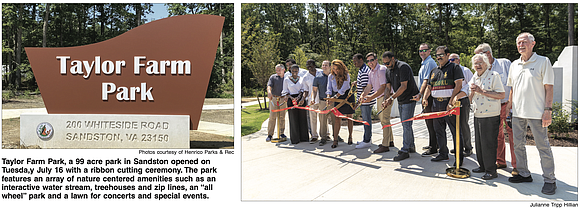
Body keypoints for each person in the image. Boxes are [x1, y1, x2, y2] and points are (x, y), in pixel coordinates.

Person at [506, 32, 556, 195]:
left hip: (537, 113)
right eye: (518, 42)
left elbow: (549, 87)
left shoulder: (543, 61)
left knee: (543, 146)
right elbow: (512, 89)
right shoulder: (514, 64)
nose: (521, 45)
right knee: (518, 145)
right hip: (518, 113)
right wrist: (509, 108)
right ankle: (524, 173)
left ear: (533, 44)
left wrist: (547, 110)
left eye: (524, 42)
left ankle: (549, 180)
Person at [474, 43, 517, 175]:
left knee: (512, 134)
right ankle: (500, 161)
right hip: (493, 108)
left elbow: (514, 83)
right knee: (496, 136)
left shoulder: (505, 63)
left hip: (507, 104)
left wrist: (511, 102)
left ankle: (516, 166)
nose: (477, 60)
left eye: (479, 55)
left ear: (488, 53)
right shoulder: (479, 71)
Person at [422, 46, 465, 166]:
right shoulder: (434, 70)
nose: (439, 57)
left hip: (450, 104)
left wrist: (451, 101)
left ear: (447, 55)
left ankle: (459, 158)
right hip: (436, 104)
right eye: (437, 55)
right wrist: (425, 98)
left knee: (455, 131)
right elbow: (429, 87)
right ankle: (443, 153)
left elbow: (458, 85)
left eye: (441, 54)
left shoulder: (454, 68)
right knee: (438, 130)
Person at [468, 54, 505, 180]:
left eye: (480, 63)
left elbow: (501, 95)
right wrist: (472, 93)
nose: (478, 65)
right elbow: (470, 98)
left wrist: (481, 91)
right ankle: (483, 166)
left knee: (489, 143)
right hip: (478, 114)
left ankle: (491, 170)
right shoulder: (474, 77)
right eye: (475, 63)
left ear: (486, 63)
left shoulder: (494, 75)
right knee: (479, 143)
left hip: (491, 115)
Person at [382, 51, 420, 161]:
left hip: (409, 98)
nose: (386, 65)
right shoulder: (388, 71)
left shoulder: (403, 67)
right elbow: (388, 88)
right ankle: (411, 146)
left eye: (388, 63)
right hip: (401, 100)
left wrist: (391, 98)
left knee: (406, 124)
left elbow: (403, 86)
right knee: (406, 124)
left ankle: (405, 150)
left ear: (393, 59)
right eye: (384, 63)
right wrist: (385, 100)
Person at [360, 53, 392, 153]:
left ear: (376, 60)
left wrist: (371, 97)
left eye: (372, 60)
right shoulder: (371, 72)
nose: (370, 63)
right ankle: (390, 141)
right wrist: (363, 95)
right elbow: (369, 86)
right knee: (384, 119)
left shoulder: (381, 69)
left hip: (385, 97)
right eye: (368, 61)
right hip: (379, 98)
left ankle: (385, 145)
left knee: (384, 120)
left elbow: (383, 87)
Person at [413, 43, 439, 157]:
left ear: (429, 51)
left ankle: (434, 148)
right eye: (420, 51)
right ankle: (432, 144)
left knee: (431, 122)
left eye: (424, 50)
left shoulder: (429, 63)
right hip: (426, 96)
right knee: (429, 122)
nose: (422, 53)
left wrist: (421, 94)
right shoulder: (424, 63)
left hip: (429, 96)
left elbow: (426, 81)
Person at [449, 53, 474, 156]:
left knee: (463, 124)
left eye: (453, 60)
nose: (451, 62)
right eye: (449, 60)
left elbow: (470, 84)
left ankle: (468, 147)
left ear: (458, 60)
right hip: (452, 101)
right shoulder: (449, 71)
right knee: (455, 125)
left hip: (463, 100)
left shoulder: (465, 70)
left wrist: (461, 94)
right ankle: (458, 146)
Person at [326, 59, 355, 148]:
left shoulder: (346, 75)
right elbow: (329, 88)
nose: (335, 71)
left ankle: (350, 137)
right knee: (337, 118)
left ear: (341, 68)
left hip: (347, 96)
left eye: (337, 69)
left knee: (349, 117)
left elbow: (344, 88)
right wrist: (328, 97)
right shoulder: (331, 76)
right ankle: (335, 140)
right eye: (334, 69)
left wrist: (334, 97)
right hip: (336, 97)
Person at [281, 64, 309, 144]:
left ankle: (304, 137)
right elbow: (285, 91)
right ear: (290, 71)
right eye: (293, 71)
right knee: (293, 119)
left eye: (296, 71)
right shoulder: (286, 79)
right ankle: (295, 138)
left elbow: (304, 90)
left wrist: (299, 97)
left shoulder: (302, 79)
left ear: (298, 71)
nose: (294, 73)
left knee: (303, 118)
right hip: (291, 100)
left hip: (300, 99)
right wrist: (291, 98)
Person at [353, 53, 374, 149]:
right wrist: (357, 82)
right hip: (364, 100)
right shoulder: (362, 69)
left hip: (365, 100)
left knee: (366, 120)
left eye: (356, 61)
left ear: (361, 59)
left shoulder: (365, 71)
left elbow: (366, 87)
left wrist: (360, 100)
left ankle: (367, 140)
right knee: (366, 119)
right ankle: (366, 138)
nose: (354, 63)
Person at [311, 60, 333, 146]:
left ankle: (336, 136)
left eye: (326, 65)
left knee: (335, 120)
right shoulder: (318, 77)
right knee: (323, 120)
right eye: (323, 65)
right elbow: (314, 90)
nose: (324, 66)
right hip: (322, 101)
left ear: (330, 67)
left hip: (333, 101)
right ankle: (323, 138)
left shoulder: (333, 76)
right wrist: (313, 98)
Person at [266, 64, 288, 142]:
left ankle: (281, 133)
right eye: (276, 70)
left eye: (279, 70)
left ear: (283, 70)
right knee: (272, 117)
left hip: (283, 99)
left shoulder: (287, 77)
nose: (277, 71)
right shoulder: (273, 77)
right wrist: (269, 92)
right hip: (274, 98)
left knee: (282, 117)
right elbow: (269, 86)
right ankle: (270, 134)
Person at [303, 59, 319, 143]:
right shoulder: (305, 77)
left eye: (311, 65)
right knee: (313, 119)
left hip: (322, 99)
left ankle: (326, 134)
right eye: (307, 65)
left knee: (324, 118)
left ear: (314, 65)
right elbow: (305, 90)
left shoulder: (321, 72)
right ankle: (314, 135)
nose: (309, 67)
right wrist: (303, 99)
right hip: (311, 100)